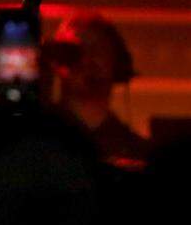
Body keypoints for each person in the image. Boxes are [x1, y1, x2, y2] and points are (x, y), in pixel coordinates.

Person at [43, 10, 150, 166]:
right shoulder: (37, 144)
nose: (87, 59)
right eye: (77, 50)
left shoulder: (138, 153)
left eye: (98, 49)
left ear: (117, 63)